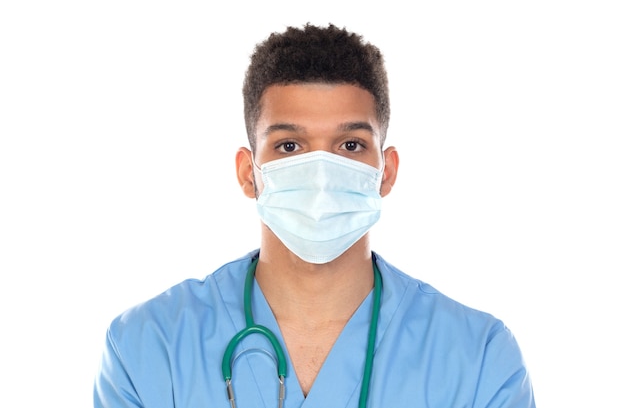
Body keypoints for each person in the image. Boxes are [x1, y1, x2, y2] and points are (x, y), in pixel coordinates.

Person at [94, 23, 536, 408]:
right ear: (249, 174)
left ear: (387, 172)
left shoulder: (478, 358)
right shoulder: (151, 347)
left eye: (350, 146)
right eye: (290, 146)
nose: (322, 173)